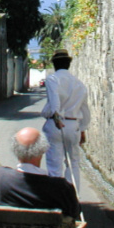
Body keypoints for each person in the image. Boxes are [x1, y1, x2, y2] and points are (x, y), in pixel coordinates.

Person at [0, 127, 81, 219]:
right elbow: (74, 213)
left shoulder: (1, 177)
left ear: (15, 150)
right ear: (43, 149)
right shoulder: (61, 187)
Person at [40, 48, 90, 191]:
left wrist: (56, 116)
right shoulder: (79, 84)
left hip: (57, 124)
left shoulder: (52, 79)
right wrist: (83, 129)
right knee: (73, 163)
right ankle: (73, 200)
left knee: (55, 164)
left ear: (54, 64)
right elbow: (85, 110)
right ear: (68, 64)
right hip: (73, 124)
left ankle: (56, 202)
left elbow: (54, 100)